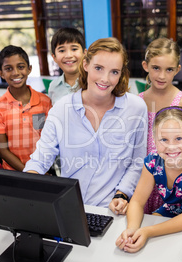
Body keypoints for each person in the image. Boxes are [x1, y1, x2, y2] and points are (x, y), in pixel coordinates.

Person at [24, 37, 148, 215]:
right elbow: (41, 158)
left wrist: (122, 194)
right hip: (70, 207)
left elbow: (137, 162)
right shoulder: (61, 109)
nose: (105, 79)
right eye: (99, 68)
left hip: (114, 210)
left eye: (114, 72)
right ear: (86, 65)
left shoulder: (136, 108)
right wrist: (27, 185)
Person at [115, 106, 182, 253]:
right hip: (174, 210)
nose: (171, 147)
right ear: (155, 140)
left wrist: (147, 231)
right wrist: (132, 230)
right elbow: (137, 202)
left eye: (179, 138)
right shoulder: (153, 161)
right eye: (164, 139)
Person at [139, 38, 182, 214]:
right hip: (145, 179)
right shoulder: (138, 101)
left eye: (169, 69)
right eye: (156, 68)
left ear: (177, 70)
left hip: (173, 181)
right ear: (145, 66)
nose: (162, 75)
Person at [0, 45, 52, 171]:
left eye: (21, 67)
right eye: (8, 69)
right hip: (15, 171)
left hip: (43, 169)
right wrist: (28, 172)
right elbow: (2, 150)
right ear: (1, 73)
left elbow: (48, 141)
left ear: (29, 69)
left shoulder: (44, 102)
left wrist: (38, 171)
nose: (16, 73)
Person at [48, 27, 86, 104]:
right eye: (62, 50)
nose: (68, 55)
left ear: (84, 53)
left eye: (74, 49)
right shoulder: (53, 87)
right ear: (54, 57)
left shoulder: (93, 82)